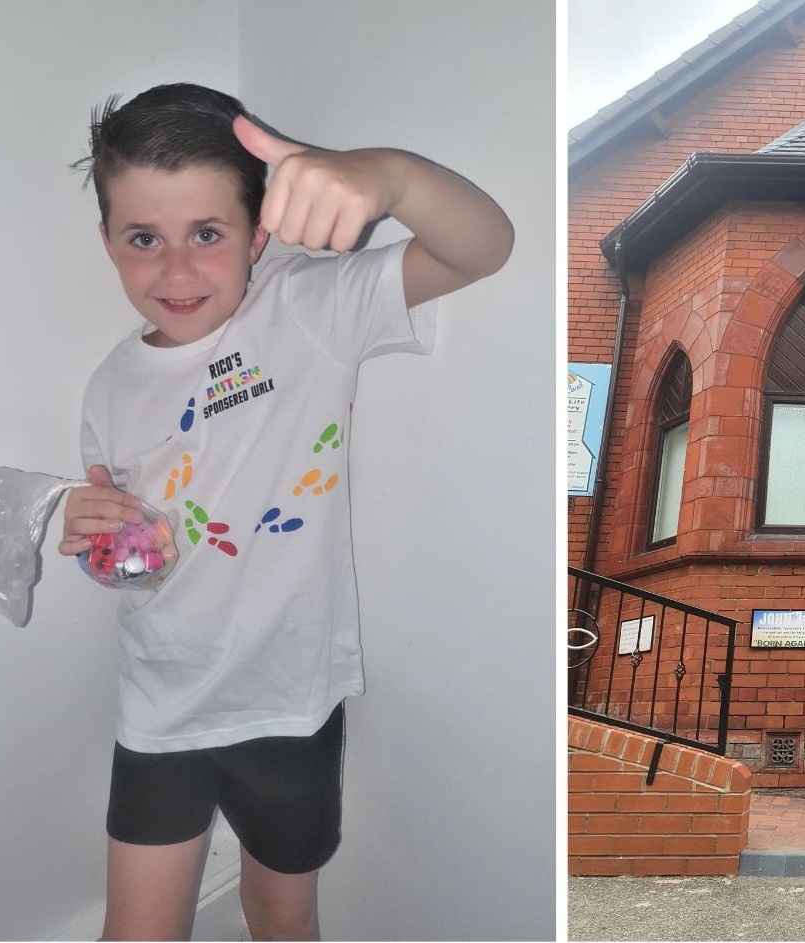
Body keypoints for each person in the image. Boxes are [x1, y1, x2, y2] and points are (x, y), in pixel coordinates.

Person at [56, 84, 512, 941]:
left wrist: (388, 177)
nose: (176, 270)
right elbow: (132, 547)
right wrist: (97, 536)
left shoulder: (308, 307)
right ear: (108, 240)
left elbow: (482, 247)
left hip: (288, 706)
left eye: (208, 234)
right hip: (158, 703)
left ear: (258, 231)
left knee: (281, 915)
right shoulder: (108, 383)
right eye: (143, 238)